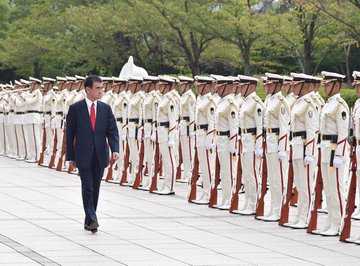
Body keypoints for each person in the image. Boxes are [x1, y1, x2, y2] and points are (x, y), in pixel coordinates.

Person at [66, 75, 119, 233]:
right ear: (88, 89)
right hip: (83, 155)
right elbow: (70, 134)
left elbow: (112, 131)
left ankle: (89, 219)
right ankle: (92, 217)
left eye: (102, 88)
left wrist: (115, 149)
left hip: (100, 155)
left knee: (95, 188)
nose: (101, 91)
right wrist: (70, 156)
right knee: (87, 187)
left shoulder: (105, 108)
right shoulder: (76, 109)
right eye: (98, 88)